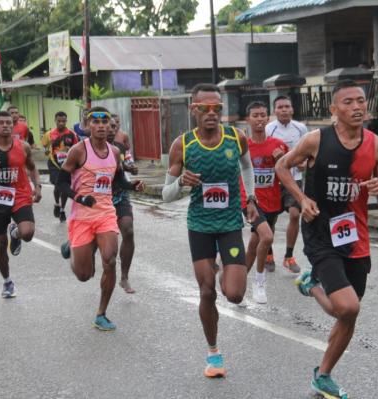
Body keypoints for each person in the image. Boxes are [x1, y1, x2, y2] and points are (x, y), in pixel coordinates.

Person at [276, 80, 378, 399]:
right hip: (320, 233)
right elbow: (281, 166)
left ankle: (323, 374)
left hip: (355, 237)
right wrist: (301, 199)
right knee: (348, 307)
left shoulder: (377, 145)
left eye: (361, 101)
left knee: (346, 312)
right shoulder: (315, 140)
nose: (357, 107)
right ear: (333, 110)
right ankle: (313, 282)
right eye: (348, 102)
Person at [162, 83, 258, 378]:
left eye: (218, 108)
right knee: (207, 291)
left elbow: (247, 167)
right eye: (205, 108)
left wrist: (250, 198)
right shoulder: (183, 145)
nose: (212, 113)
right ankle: (214, 353)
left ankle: (228, 265)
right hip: (201, 226)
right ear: (194, 110)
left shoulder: (236, 137)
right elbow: (165, 194)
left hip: (230, 224)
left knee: (235, 294)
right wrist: (181, 184)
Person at [56, 107, 144, 331]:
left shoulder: (114, 152)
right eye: (96, 121)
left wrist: (131, 185)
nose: (102, 125)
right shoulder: (78, 151)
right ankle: (72, 248)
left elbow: (117, 180)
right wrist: (79, 197)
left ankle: (101, 314)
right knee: (85, 275)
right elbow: (61, 182)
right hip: (82, 216)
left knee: (109, 260)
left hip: (105, 213)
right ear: (87, 126)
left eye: (105, 121)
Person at [0, 111, 42, 298]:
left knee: (28, 233)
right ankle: (7, 281)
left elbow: (32, 167)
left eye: (8, 122)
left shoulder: (23, 147)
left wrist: (36, 186)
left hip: (20, 195)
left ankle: (16, 232)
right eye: (1, 123)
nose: (5, 125)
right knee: (0, 244)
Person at [240, 101, 288, 304]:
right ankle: (259, 283)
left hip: (272, 201)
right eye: (255, 115)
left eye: (262, 115)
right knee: (266, 238)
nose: (259, 119)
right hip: (250, 200)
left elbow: (297, 167)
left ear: (268, 118)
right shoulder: (243, 146)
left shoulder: (278, 144)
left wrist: (283, 158)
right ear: (248, 119)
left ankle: (237, 283)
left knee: (254, 244)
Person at [266, 95, 308, 273]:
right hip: (274, 180)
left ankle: (289, 256)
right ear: (274, 111)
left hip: (294, 178)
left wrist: (299, 163)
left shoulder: (301, 128)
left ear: (292, 109)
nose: (284, 110)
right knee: (271, 219)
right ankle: (268, 254)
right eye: (280, 107)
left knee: (294, 214)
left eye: (287, 107)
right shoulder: (269, 129)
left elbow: (308, 155)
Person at [108, 118, 140, 294]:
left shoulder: (119, 148)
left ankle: (124, 277)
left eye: (114, 126)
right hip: (97, 200)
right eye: (108, 126)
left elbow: (125, 166)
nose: (111, 129)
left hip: (119, 195)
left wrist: (131, 170)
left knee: (128, 230)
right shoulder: (86, 149)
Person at [41, 111, 78, 222]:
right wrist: (46, 152)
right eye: (59, 121)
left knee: (65, 187)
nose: (61, 123)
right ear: (55, 121)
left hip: (67, 165)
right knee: (58, 186)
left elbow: (77, 148)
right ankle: (57, 203)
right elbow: (44, 145)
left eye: (63, 121)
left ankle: (62, 209)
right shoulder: (49, 134)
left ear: (66, 121)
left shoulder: (72, 134)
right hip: (54, 164)